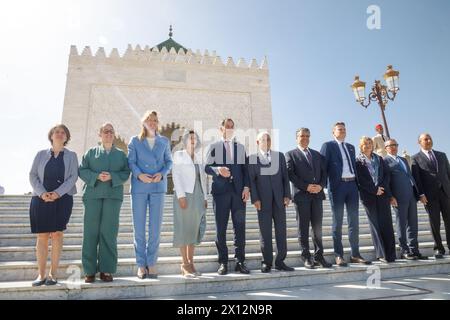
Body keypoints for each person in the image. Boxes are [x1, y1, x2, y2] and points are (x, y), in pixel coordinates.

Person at [79, 123, 130, 283]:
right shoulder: (91, 153)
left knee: (109, 232)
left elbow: (126, 172)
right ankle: (89, 271)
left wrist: (112, 177)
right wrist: (95, 177)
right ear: (99, 134)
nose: (108, 134)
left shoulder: (121, 155)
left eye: (111, 131)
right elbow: (82, 170)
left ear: (114, 135)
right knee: (90, 233)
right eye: (105, 131)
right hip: (92, 196)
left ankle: (106, 270)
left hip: (112, 197)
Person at [29, 124, 78, 286]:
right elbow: (33, 175)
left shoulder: (72, 156)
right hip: (41, 198)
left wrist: (57, 193)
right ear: (51, 136)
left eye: (63, 132)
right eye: (56, 132)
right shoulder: (40, 154)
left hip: (62, 199)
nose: (59, 134)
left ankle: (53, 274)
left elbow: (73, 177)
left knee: (57, 234)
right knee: (42, 236)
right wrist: (43, 193)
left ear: (66, 137)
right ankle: (41, 275)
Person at [128, 110, 173, 279]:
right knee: (138, 227)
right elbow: (131, 161)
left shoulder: (164, 141)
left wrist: (162, 173)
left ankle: (152, 262)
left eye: (155, 120)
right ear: (144, 123)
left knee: (155, 227)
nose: (152, 122)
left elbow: (169, 161)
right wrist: (140, 174)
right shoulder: (135, 141)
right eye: (149, 120)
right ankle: (141, 264)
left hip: (158, 187)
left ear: (157, 122)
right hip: (140, 186)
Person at [320, 122, 370, 266]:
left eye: (344, 129)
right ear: (333, 132)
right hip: (337, 186)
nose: (342, 131)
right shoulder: (328, 146)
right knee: (338, 221)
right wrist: (323, 187)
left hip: (352, 186)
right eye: (339, 129)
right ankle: (339, 255)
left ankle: (355, 254)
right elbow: (323, 167)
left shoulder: (351, 147)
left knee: (353, 222)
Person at [205, 118, 250, 275]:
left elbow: (246, 170)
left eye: (232, 127)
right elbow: (206, 166)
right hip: (220, 193)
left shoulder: (240, 148)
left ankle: (240, 261)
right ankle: (223, 262)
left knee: (240, 229)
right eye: (227, 126)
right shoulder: (214, 146)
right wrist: (218, 170)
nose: (229, 129)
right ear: (221, 128)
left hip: (238, 194)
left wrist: (246, 187)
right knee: (221, 228)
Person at [286, 128, 332, 269]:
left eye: (307, 136)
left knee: (317, 227)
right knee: (303, 227)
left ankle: (319, 256)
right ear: (296, 138)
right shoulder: (290, 154)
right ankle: (306, 256)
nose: (305, 138)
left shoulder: (317, 155)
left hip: (317, 195)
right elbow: (290, 174)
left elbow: (324, 173)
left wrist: (321, 185)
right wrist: (306, 186)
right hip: (302, 196)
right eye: (302, 136)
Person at [248, 132, 294, 273]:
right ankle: (266, 262)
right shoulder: (252, 159)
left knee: (281, 232)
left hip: (280, 200)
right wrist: (255, 198)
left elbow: (285, 178)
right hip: (262, 202)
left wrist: (287, 195)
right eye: (263, 139)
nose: (266, 141)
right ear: (257, 142)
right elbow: (251, 181)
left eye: (268, 139)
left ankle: (280, 261)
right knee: (265, 233)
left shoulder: (279, 156)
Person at [172, 130, 208, 278]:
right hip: (185, 195)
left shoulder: (199, 158)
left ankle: (191, 263)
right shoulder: (178, 155)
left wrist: (205, 197)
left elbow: (203, 179)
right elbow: (176, 175)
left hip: (198, 196)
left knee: (193, 230)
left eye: (195, 138)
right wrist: (181, 196)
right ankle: (184, 264)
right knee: (183, 229)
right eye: (190, 138)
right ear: (185, 140)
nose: (193, 140)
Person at [384, 139, 427, 260]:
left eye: (395, 145)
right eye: (390, 145)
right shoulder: (384, 161)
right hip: (398, 197)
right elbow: (386, 181)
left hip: (411, 195)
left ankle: (414, 250)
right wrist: (390, 196)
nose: (393, 147)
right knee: (401, 224)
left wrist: (417, 194)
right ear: (386, 147)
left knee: (413, 224)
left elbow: (410, 177)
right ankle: (404, 250)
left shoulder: (403, 159)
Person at [356, 137, 396, 263]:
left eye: (369, 143)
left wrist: (381, 188)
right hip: (368, 196)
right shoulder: (357, 161)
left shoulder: (379, 159)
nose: (368, 145)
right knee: (375, 224)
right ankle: (381, 254)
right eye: (365, 144)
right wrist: (374, 190)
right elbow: (359, 180)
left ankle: (391, 254)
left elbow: (386, 175)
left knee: (387, 223)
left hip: (382, 194)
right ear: (361, 146)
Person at [412, 133, 450, 259]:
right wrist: (421, 194)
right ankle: (439, 248)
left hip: (446, 193)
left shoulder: (442, 155)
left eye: (430, 139)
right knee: (435, 223)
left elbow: (448, 174)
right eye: (425, 139)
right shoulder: (415, 158)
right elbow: (417, 179)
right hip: (429, 196)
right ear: (419, 142)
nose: (428, 141)